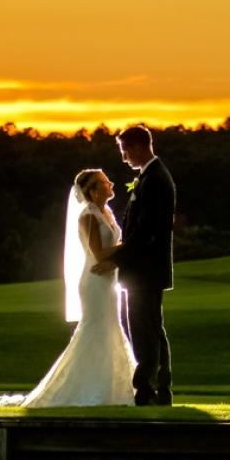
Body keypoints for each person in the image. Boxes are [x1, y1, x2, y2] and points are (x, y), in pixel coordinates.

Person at [0, 169, 136, 408]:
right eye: (104, 182)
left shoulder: (107, 212)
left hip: (109, 281)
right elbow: (99, 253)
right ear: (92, 191)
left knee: (111, 329)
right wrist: (130, 246)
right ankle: (87, 388)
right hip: (94, 283)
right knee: (95, 331)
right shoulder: (88, 216)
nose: (110, 183)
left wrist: (123, 251)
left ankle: (113, 387)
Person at [92, 126, 174, 405]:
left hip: (145, 271)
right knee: (151, 328)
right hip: (144, 270)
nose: (124, 158)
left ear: (139, 146)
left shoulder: (155, 180)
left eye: (125, 151)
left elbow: (144, 232)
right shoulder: (148, 177)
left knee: (143, 329)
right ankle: (160, 388)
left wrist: (116, 259)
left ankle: (146, 390)